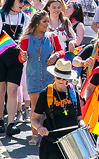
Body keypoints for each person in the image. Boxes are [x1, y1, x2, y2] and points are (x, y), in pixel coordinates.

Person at [31, 59, 83, 159]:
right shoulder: (45, 93)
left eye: (65, 78)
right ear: (54, 76)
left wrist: (83, 124)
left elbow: (79, 117)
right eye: (59, 77)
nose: (62, 81)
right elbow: (34, 119)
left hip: (72, 143)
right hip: (52, 144)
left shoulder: (74, 92)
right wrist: (39, 128)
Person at [0, 0, 30, 136]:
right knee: (0, 90)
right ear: (11, 1)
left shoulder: (25, 18)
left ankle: (11, 124)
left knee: (12, 90)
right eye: (20, 1)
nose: (23, 4)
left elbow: (27, 41)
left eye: (24, 1)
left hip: (16, 60)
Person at [19, 11, 65, 145]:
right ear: (37, 22)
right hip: (33, 75)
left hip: (49, 76)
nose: (47, 24)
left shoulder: (51, 36)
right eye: (44, 21)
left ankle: (51, 133)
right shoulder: (26, 38)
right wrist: (23, 57)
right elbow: (21, 58)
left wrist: (55, 55)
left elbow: (62, 51)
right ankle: (35, 135)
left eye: (48, 21)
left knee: (51, 106)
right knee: (35, 106)